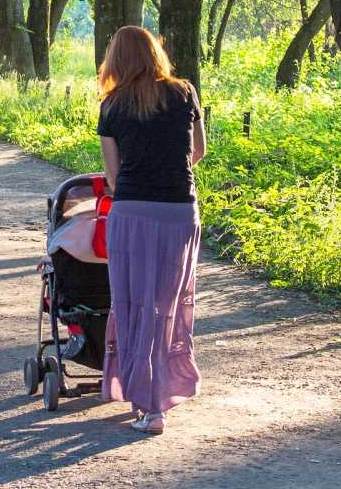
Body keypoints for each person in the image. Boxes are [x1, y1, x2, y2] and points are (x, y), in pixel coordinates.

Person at [96, 25, 206, 435]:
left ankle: (147, 405)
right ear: (155, 53)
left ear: (116, 60)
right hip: (179, 211)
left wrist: (139, 178)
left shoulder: (111, 105)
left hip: (133, 212)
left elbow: (112, 175)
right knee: (169, 305)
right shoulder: (184, 92)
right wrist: (168, 173)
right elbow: (197, 151)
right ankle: (164, 391)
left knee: (133, 304)